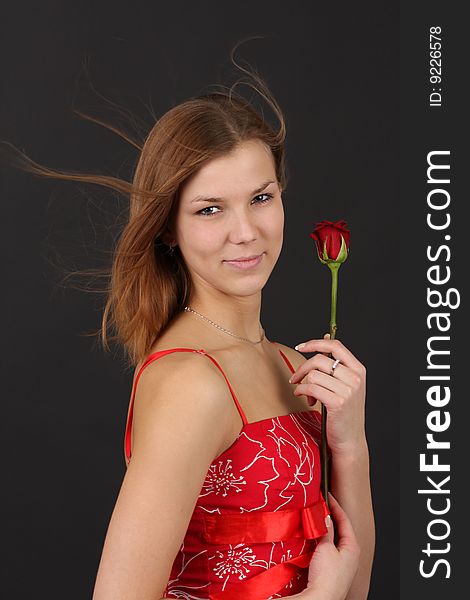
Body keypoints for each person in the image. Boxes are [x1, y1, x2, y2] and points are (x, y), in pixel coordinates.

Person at [6, 48, 375, 598]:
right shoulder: (192, 382)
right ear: (169, 229)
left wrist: (350, 443)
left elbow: (355, 586)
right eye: (210, 209)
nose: (246, 231)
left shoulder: (293, 366)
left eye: (260, 198)